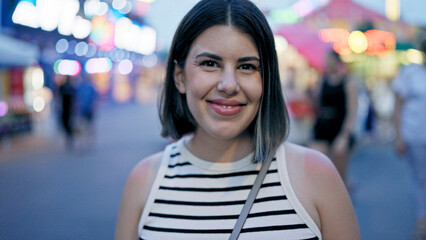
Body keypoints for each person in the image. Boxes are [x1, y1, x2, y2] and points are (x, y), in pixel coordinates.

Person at [115, 1, 360, 239]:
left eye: (247, 67)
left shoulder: (316, 176)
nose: (229, 85)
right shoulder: (145, 180)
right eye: (210, 64)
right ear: (179, 77)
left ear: (266, 80)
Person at [393, 38, 426, 240]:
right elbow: (398, 105)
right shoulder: (410, 74)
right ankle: (421, 219)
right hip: (414, 134)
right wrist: (399, 136)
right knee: (420, 178)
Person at [309, 50, 358, 184]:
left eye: (330, 61)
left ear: (337, 63)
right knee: (316, 163)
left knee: (340, 174)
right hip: (322, 125)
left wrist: (344, 135)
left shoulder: (347, 83)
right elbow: (316, 105)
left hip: (339, 126)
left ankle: (345, 192)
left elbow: (352, 111)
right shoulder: (321, 81)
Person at [76, 75, 98, 151]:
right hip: (84, 110)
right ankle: (84, 142)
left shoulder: (85, 87)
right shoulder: (82, 87)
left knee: (86, 127)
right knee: (85, 127)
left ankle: (86, 142)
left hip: (84, 110)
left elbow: (94, 99)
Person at [58, 75, 76, 150]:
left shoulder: (71, 88)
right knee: (65, 124)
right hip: (65, 110)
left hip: (69, 110)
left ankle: (70, 137)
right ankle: (69, 136)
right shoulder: (63, 87)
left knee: (69, 124)